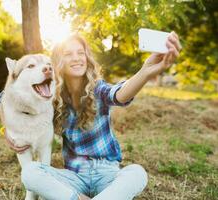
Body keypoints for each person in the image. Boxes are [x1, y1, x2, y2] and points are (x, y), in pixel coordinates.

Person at [20, 33, 182, 200]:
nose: (76, 58)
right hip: (75, 177)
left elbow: (120, 94)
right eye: (68, 54)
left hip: (107, 174)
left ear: (87, 57)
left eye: (80, 52)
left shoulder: (97, 88)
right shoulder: (52, 97)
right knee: (30, 172)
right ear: (57, 62)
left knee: (137, 173)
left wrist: (145, 72)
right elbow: (14, 97)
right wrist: (8, 132)